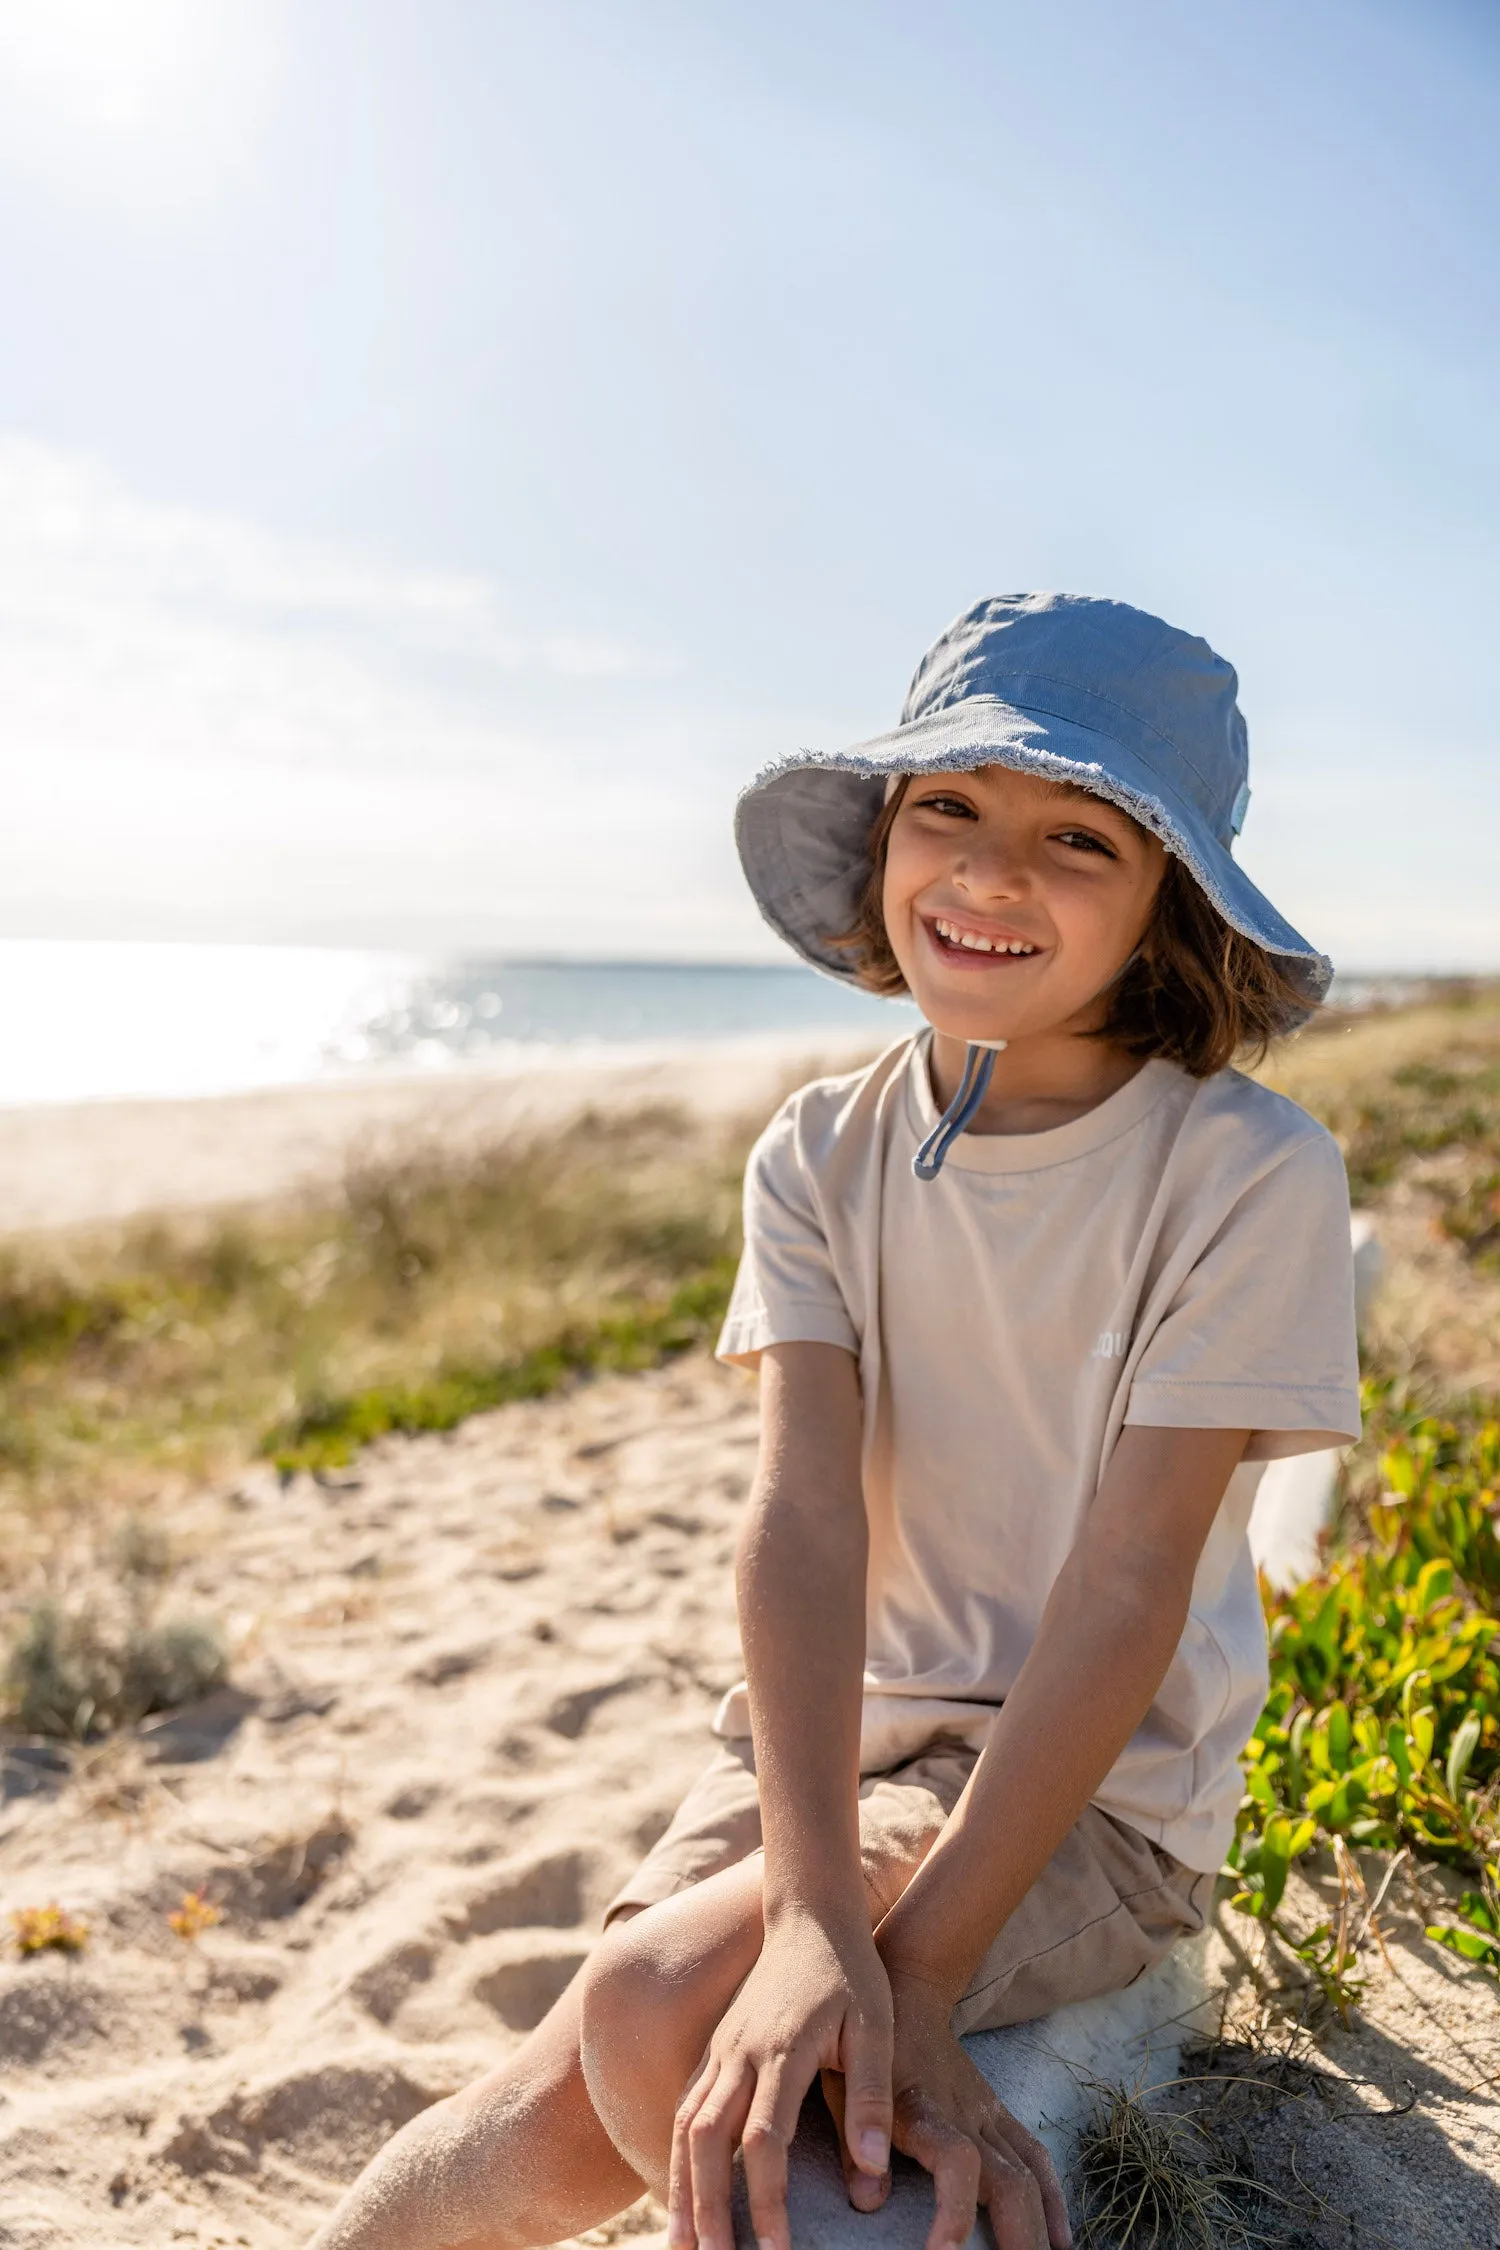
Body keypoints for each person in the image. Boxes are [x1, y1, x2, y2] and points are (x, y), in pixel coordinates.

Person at [310, 594, 1361, 2250]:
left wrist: (918, 1971)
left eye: (1078, 833)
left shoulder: (1249, 1173)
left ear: (1171, 893)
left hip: (1091, 1790)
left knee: (654, 2003)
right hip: (823, 1745)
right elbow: (803, 1518)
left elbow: (1127, 1584)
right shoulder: (816, 1148)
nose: (993, 871)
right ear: (883, 836)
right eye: (949, 804)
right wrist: (811, 1904)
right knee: (550, 2091)